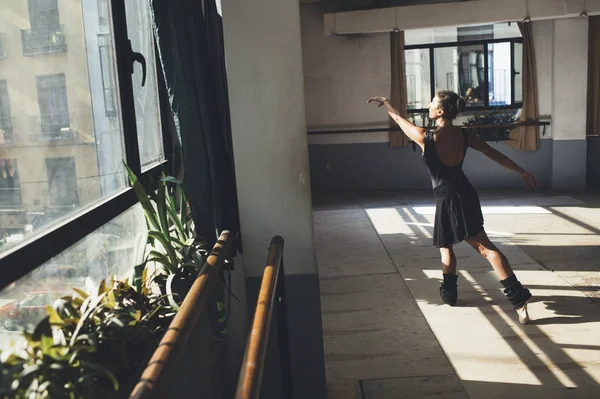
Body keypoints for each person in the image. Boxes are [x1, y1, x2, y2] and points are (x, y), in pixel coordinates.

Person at [367, 91, 541, 324]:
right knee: (446, 244)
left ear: (440, 112)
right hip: (463, 193)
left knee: (483, 248)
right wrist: (522, 171)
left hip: (449, 198)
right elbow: (494, 153)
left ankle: (518, 299)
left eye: (432, 103)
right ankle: (449, 293)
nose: (428, 106)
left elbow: (399, 120)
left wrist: (387, 103)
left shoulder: (424, 136)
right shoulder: (464, 135)